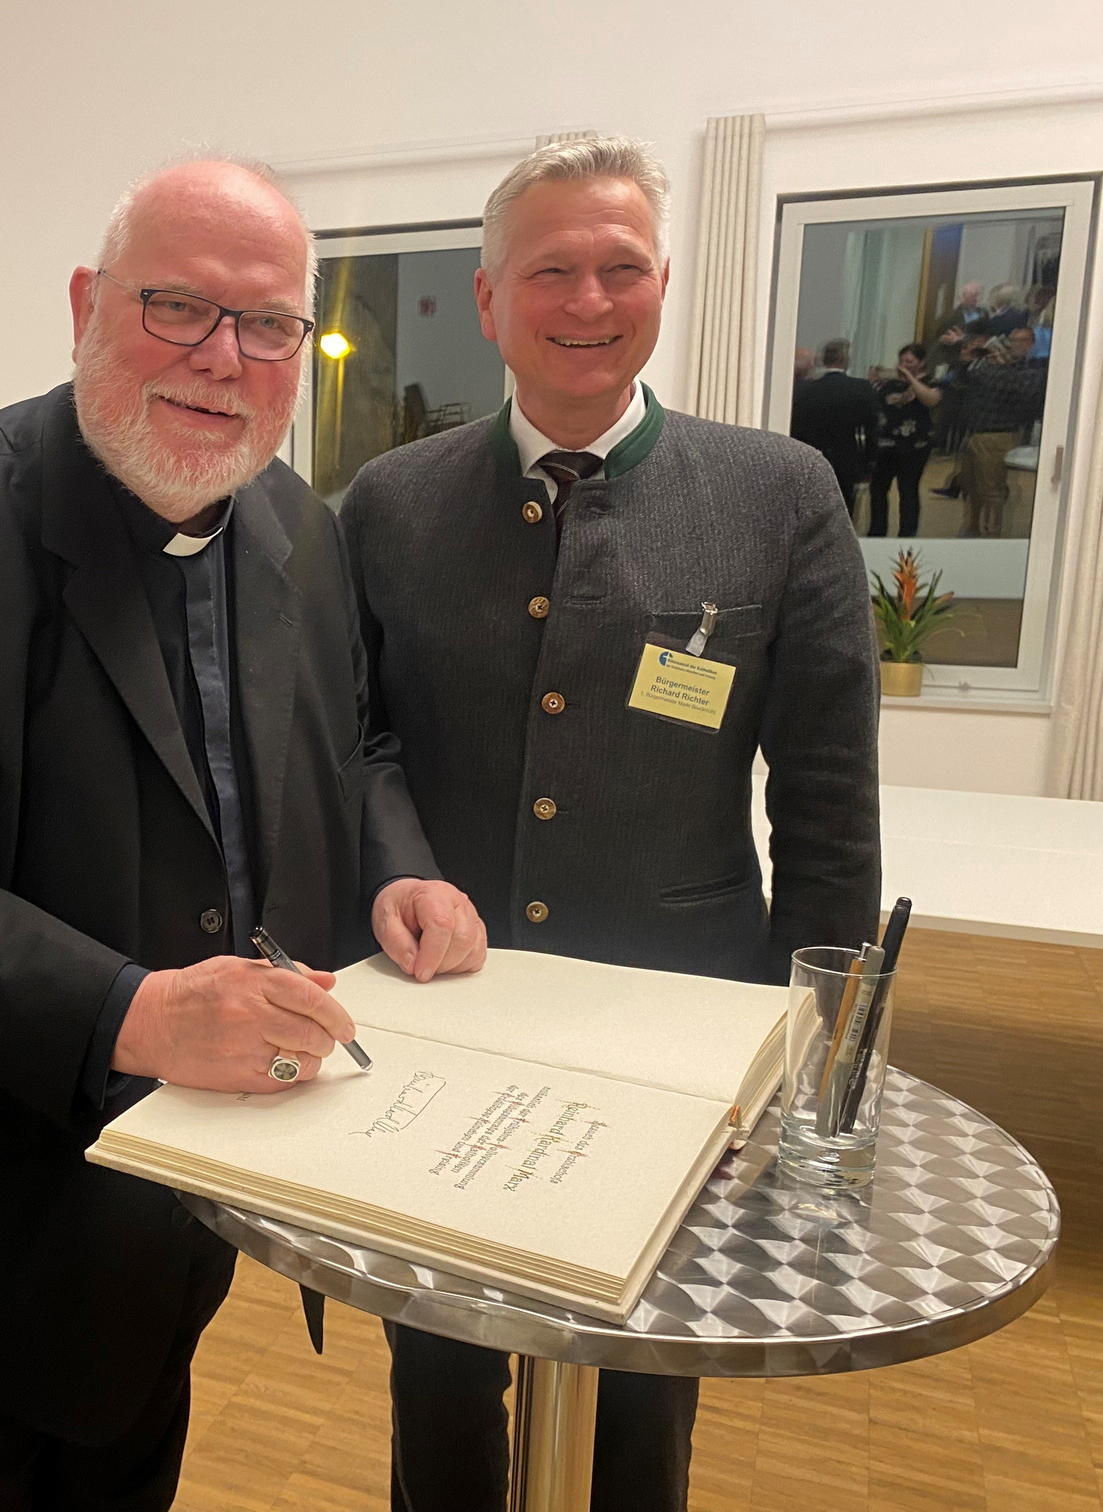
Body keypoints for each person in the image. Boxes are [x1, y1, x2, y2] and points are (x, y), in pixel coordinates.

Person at [0, 157, 487, 1512]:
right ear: (85, 306)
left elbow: (353, 744)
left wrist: (399, 867)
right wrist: (138, 1012)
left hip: (184, 1223)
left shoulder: (295, 526)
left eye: (267, 323)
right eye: (178, 306)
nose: (224, 358)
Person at [342, 136, 880, 1512]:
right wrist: (404, 874)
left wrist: (814, 1056)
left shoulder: (780, 495)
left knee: (645, 1375)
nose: (589, 300)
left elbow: (827, 797)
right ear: (487, 298)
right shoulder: (390, 504)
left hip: (678, 1024)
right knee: (440, 1370)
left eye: (621, 267)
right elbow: (357, 740)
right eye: (552, 270)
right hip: (445, 1012)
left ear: (663, 284)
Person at [955, 324, 1047, 538]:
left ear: (1032, 344)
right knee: (970, 486)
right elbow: (963, 383)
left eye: (1021, 341)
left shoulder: (1031, 368)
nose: (1015, 345)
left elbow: (1019, 392)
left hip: (999, 434)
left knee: (992, 490)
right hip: (973, 432)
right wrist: (966, 362)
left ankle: (991, 534)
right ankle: (971, 527)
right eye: (1012, 340)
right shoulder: (989, 366)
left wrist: (995, 363)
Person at [790, 336, 879, 516]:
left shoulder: (803, 389)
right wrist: (868, 464)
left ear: (823, 359)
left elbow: (796, 427)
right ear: (845, 360)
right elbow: (871, 430)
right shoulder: (862, 388)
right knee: (843, 510)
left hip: (810, 458)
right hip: (847, 459)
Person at [869, 342, 940, 537]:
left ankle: (907, 533)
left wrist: (910, 377)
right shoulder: (891, 384)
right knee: (878, 489)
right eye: (901, 361)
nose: (903, 365)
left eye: (909, 361)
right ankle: (877, 531)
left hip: (915, 446)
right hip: (886, 445)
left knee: (908, 490)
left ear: (921, 362)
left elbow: (931, 400)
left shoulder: (931, 381)